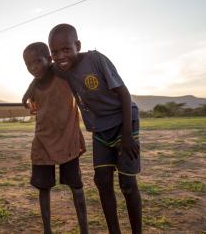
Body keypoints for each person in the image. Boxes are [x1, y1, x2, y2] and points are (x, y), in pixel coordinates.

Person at [23, 24, 142, 234]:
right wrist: (27, 95)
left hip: (124, 125)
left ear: (77, 45)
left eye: (66, 49)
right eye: (55, 52)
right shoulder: (62, 68)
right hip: (100, 130)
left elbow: (124, 94)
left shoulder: (95, 60)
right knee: (102, 182)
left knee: (127, 184)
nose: (61, 56)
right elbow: (40, 72)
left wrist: (127, 135)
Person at [23, 42, 89, 234]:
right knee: (44, 188)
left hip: (67, 138)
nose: (34, 67)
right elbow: (26, 98)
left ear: (49, 59)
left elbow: (76, 61)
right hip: (43, 141)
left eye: (38, 61)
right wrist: (28, 100)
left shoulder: (63, 74)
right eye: (29, 65)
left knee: (76, 186)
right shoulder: (35, 85)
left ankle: (85, 229)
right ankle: (47, 230)